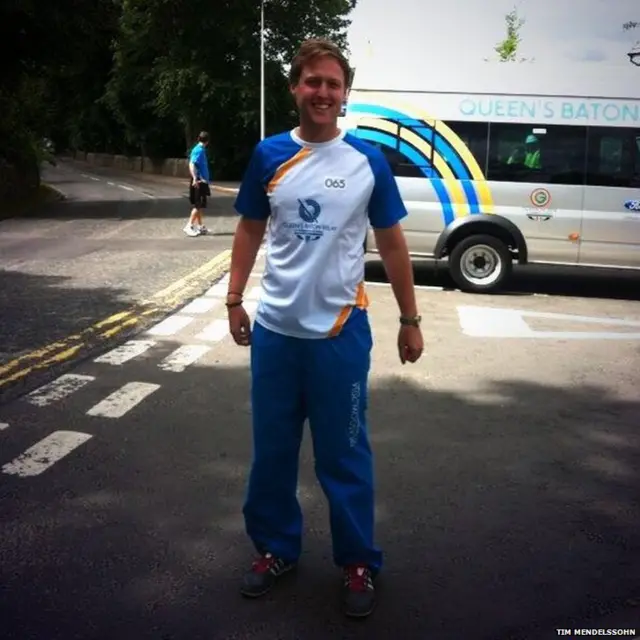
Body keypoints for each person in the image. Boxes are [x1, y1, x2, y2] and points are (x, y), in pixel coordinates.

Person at [226, 37, 424, 619]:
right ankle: (274, 550)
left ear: (345, 94)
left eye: (333, 84)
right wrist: (235, 299)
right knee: (273, 454)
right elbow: (247, 231)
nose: (322, 92)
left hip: (340, 334)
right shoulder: (268, 155)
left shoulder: (367, 162)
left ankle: (358, 560)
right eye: (313, 81)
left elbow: (391, 242)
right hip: (277, 333)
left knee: (345, 454)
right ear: (295, 87)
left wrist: (410, 320)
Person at [184, 130, 211, 237]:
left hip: (201, 180)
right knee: (197, 205)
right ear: (207, 141)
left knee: (199, 205)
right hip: (199, 181)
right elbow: (192, 164)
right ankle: (189, 226)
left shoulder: (200, 149)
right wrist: (195, 178)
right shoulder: (199, 150)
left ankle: (200, 226)